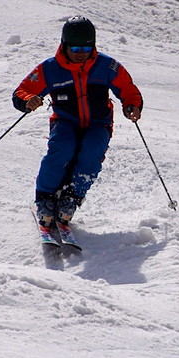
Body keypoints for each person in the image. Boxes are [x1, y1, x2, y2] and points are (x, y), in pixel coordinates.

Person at [12, 16, 143, 228]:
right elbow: (23, 91)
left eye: (86, 47)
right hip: (65, 120)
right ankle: (45, 198)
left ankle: (72, 197)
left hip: (98, 122)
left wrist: (132, 106)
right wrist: (28, 100)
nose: (81, 52)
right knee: (62, 149)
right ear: (64, 45)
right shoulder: (50, 69)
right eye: (75, 47)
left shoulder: (106, 66)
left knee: (92, 152)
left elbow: (127, 88)